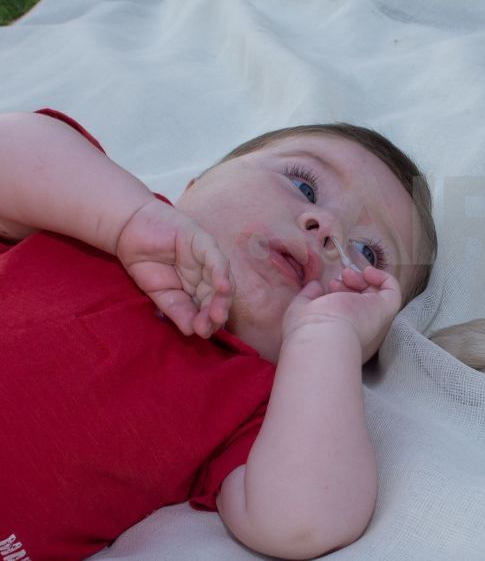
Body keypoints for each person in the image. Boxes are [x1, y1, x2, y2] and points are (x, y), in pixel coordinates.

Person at [0, 109, 437, 560]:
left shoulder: (257, 408)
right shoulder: (88, 219)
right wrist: (126, 216)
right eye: (304, 185)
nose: (327, 228)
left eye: (366, 253)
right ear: (196, 185)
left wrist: (325, 339)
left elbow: (302, 523)